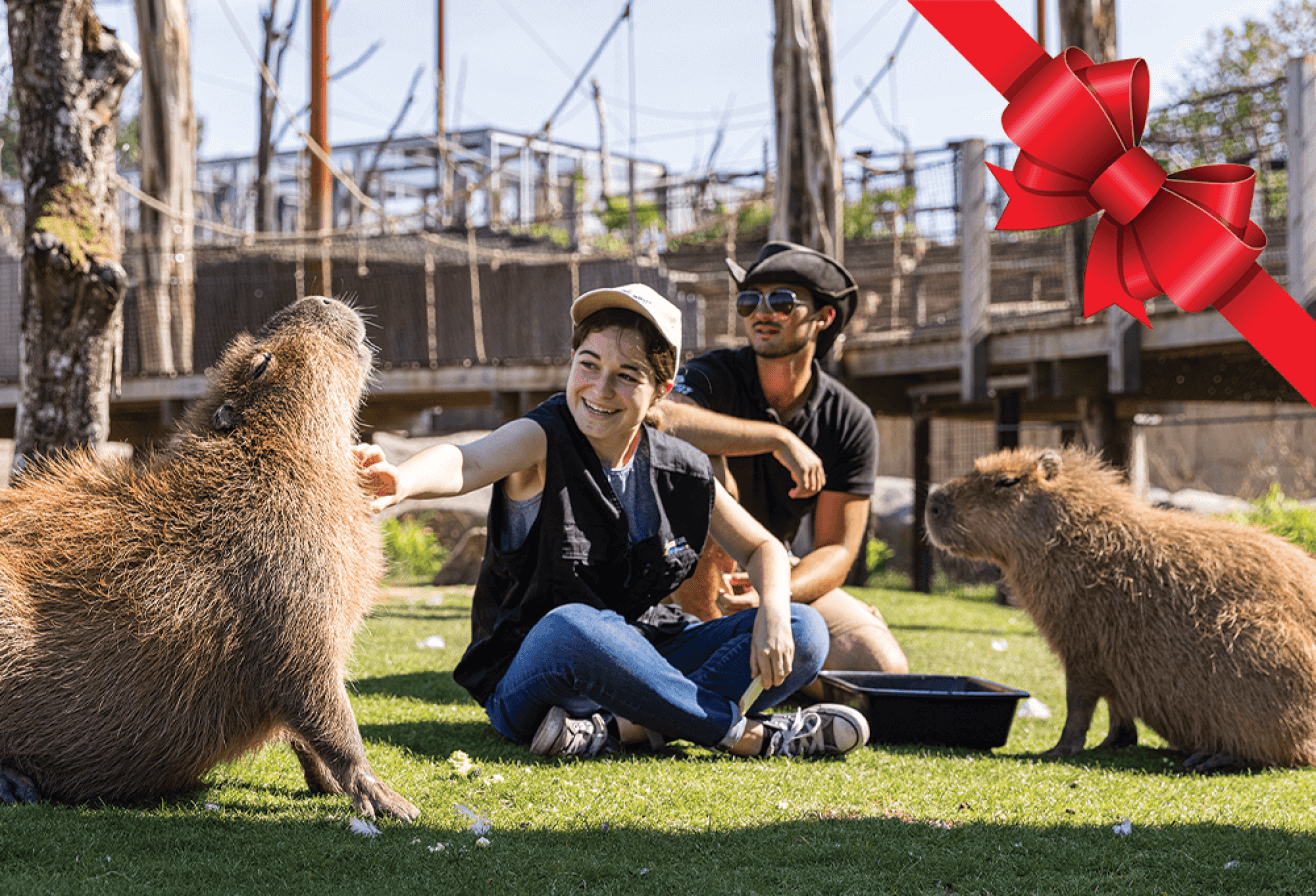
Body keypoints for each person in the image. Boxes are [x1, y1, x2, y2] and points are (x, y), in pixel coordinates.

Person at [356, 283, 869, 759]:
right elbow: (467, 460)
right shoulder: (543, 438)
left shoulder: (680, 467)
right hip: (536, 676)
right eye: (589, 364)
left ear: (661, 391)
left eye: (627, 376)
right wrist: (402, 480)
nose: (600, 389)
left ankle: (618, 729)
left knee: (806, 630)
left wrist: (774, 613)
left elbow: (763, 548)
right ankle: (742, 734)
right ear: (571, 364)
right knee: (575, 625)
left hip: (635, 660)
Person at [654, 242, 909, 698]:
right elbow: (664, 417)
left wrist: (775, 596)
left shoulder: (849, 419)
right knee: (703, 467)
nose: (760, 312)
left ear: (824, 317)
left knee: (881, 672)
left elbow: (836, 549)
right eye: (749, 300)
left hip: (772, 576)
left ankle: (751, 662)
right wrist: (777, 438)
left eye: (782, 300)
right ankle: (712, 655)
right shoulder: (713, 374)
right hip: (681, 570)